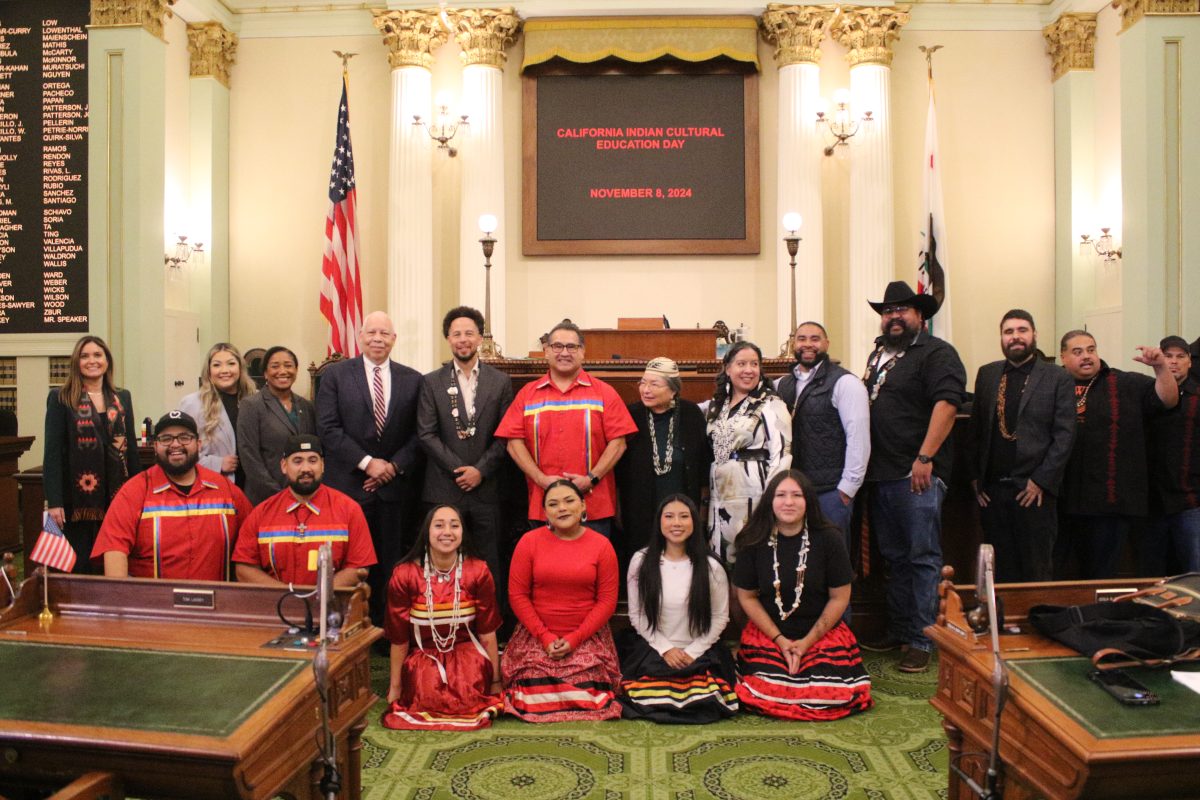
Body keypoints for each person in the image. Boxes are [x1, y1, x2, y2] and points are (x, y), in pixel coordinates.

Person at [861, 281, 966, 673]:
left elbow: (948, 404)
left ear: (919, 315)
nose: (894, 316)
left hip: (917, 473)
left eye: (902, 309)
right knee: (895, 558)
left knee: (922, 558)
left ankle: (923, 638)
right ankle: (901, 628)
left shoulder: (936, 353)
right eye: (888, 311)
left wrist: (926, 457)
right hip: (882, 474)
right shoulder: (879, 356)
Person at [731, 470, 872, 720]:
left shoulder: (830, 538)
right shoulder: (753, 539)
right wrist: (781, 641)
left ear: (808, 501)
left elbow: (840, 597)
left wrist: (806, 643)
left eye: (797, 495)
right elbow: (747, 597)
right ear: (769, 501)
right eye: (781, 495)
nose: (788, 502)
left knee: (828, 690)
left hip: (820, 632)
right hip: (770, 632)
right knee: (765, 688)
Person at [315, 311, 423, 624]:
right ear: (361, 337)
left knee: (391, 562)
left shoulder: (413, 379)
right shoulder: (336, 376)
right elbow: (328, 428)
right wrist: (367, 464)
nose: (378, 338)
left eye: (384, 333)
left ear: (394, 339)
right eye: (372, 332)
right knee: (348, 562)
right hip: (348, 487)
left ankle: (386, 627)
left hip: (394, 489)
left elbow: (420, 433)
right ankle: (346, 623)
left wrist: (392, 466)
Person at [496, 321, 637, 539]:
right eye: (557, 346)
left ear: (582, 352)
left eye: (572, 347)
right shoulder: (528, 394)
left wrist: (591, 478)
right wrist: (540, 479)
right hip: (544, 504)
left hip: (593, 505)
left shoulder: (604, 393)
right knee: (545, 570)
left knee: (592, 569)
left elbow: (619, 443)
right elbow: (514, 443)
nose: (564, 353)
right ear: (546, 351)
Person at [1055, 330, 1178, 579]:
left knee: (1101, 579)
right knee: (1057, 576)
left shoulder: (1125, 383)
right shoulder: (1050, 386)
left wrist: (1161, 368)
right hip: (1060, 503)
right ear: (1063, 358)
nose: (1087, 357)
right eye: (1077, 352)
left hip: (1108, 505)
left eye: (1091, 349)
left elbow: (1168, 400)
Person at [968, 310, 1075, 582]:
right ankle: (1002, 625)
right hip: (992, 493)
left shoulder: (1056, 377)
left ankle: (1035, 623)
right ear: (1002, 337)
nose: (1015, 337)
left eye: (1022, 330)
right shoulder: (988, 374)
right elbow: (976, 431)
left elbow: (1064, 435)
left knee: (1035, 569)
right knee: (998, 572)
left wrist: (1041, 481)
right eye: (1008, 331)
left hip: (1033, 491)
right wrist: (975, 480)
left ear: (1034, 335)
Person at [502, 479, 621, 722]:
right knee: (528, 692)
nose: (562, 508)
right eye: (553, 504)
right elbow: (517, 596)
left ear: (583, 506)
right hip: (536, 635)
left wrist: (574, 638)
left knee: (590, 693)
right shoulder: (529, 542)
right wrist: (545, 637)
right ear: (544, 512)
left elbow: (607, 601)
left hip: (586, 636)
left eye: (569, 501)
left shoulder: (602, 546)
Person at [380, 504, 503, 731]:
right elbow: (399, 638)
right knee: (426, 687)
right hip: (424, 655)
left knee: (468, 688)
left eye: (454, 525)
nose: (447, 531)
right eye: (439, 525)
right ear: (426, 532)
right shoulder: (405, 574)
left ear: (463, 533)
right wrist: (395, 687)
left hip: (467, 653)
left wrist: (495, 682)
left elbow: (487, 631)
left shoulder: (478, 570)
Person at [618, 494, 737, 723]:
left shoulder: (711, 566)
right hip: (655, 648)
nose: (676, 523)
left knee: (707, 701)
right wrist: (665, 649)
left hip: (699, 651)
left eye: (684, 516)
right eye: (669, 516)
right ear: (659, 522)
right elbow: (637, 615)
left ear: (694, 521)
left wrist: (692, 652)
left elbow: (720, 617)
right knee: (643, 698)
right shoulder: (640, 561)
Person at [92, 411, 252, 580]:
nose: (175, 444)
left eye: (184, 437)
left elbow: (252, 547)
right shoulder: (134, 491)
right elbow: (114, 550)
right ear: (155, 446)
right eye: (166, 439)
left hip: (218, 603)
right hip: (153, 604)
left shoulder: (225, 490)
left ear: (198, 444)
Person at [417, 306, 514, 583]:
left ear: (480, 337)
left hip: (487, 489)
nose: (463, 339)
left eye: (469, 333)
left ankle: (490, 623)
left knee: (489, 563)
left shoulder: (500, 382)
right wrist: (462, 470)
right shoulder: (431, 382)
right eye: (456, 333)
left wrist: (480, 471)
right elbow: (426, 434)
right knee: (442, 564)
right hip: (443, 488)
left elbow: (505, 434)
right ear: (448, 338)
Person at [43, 335, 140, 572]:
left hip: (116, 493)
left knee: (112, 555)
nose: (92, 361)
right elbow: (52, 453)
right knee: (81, 559)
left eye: (98, 355)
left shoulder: (122, 397)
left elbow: (132, 450)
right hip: (75, 499)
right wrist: (54, 502)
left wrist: (139, 493)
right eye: (85, 356)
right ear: (77, 362)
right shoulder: (61, 397)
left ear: (107, 360)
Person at [232, 434, 376, 587]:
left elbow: (359, 567)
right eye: (297, 461)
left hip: (332, 607)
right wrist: (287, 598)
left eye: (313, 460)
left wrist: (318, 595)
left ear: (323, 465)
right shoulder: (261, 513)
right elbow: (244, 568)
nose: (306, 468)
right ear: (284, 466)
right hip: (277, 607)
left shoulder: (349, 510)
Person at [775, 321, 870, 544]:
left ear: (826, 344)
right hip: (792, 492)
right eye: (802, 339)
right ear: (793, 344)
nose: (808, 345)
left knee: (833, 562)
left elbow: (859, 439)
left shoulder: (846, 383)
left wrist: (847, 489)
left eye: (815, 339)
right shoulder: (781, 385)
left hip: (831, 492)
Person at [616, 357, 711, 559]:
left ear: (673, 390)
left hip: (682, 509)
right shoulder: (631, 414)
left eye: (654, 384)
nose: (645, 389)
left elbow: (703, 466)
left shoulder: (691, 414)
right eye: (643, 382)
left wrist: (702, 512)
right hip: (639, 511)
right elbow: (620, 469)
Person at [705, 340, 791, 562]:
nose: (748, 370)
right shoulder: (717, 406)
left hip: (754, 492)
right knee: (721, 559)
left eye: (754, 364)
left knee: (751, 557)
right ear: (728, 368)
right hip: (721, 493)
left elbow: (781, 456)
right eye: (741, 363)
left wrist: (772, 500)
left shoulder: (771, 404)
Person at [1146, 336, 1200, 573]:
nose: (1174, 362)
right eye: (1168, 356)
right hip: (1152, 502)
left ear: (1190, 361)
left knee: (1194, 575)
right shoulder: (1147, 393)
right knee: (1152, 576)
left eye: (1181, 356)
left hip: (1192, 501)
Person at [237, 346, 317, 505]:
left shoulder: (306, 406)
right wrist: (279, 494)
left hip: (304, 495)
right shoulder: (251, 405)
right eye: (275, 366)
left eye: (288, 365)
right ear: (266, 373)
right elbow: (249, 456)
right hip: (265, 497)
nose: (282, 371)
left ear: (296, 370)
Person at [179, 342, 257, 488]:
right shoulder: (192, 403)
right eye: (217, 365)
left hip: (253, 487)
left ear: (240, 368)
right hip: (215, 485)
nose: (224, 370)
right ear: (208, 371)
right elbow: (181, 450)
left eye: (231, 363)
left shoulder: (255, 399)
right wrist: (216, 463)